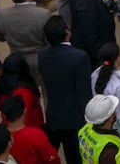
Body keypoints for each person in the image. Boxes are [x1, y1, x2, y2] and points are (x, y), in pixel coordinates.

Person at [38, 17, 90, 164]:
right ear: (67, 32)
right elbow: (84, 92)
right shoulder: (79, 57)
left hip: (55, 115)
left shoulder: (42, 55)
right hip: (76, 118)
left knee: (70, 154)